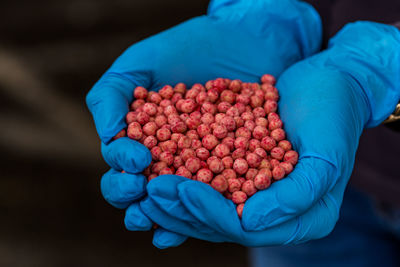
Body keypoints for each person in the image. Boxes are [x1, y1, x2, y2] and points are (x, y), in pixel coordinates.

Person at [85, 0, 400, 266]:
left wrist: (382, 69)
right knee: (279, 218)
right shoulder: (243, 133)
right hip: (312, 146)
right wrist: (263, 11)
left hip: (320, 125)